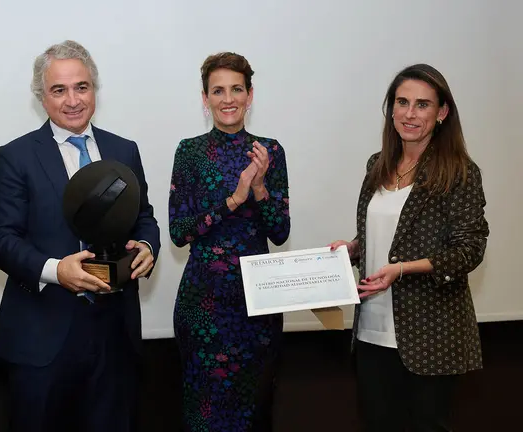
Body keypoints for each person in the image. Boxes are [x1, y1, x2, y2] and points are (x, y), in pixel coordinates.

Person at [0, 40, 161, 432]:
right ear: (40, 97)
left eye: (81, 87)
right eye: (58, 90)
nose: (72, 100)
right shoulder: (15, 157)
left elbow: (143, 217)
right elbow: (1, 238)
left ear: (94, 90)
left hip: (114, 338)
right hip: (42, 339)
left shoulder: (124, 150)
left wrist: (148, 245)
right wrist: (54, 270)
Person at [329, 63, 489, 432]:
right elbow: (385, 235)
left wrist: (402, 269)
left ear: (442, 112)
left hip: (431, 333)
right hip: (371, 328)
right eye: (402, 102)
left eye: (422, 104)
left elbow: (470, 250)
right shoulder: (377, 165)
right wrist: (354, 247)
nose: (410, 113)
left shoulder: (459, 171)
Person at [168, 52, 290, 432]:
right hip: (203, 303)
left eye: (236, 89)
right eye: (217, 91)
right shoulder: (189, 152)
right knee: (205, 414)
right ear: (204, 99)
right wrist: (234, 200)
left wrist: (260, 189)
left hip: (258, 304)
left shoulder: (270, 151)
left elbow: (280, 232)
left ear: (250, 95)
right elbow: (178, 232)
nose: (228, 99)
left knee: (253, 411)